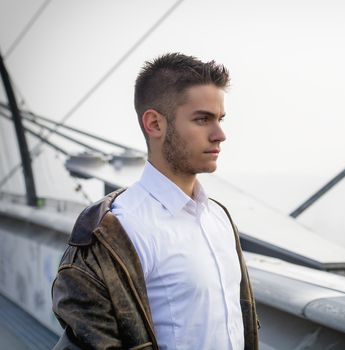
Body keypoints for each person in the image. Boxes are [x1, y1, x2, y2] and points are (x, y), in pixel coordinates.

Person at [51, 53, 259, 350]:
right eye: (203, 119)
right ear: (154, 124)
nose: (219, 135)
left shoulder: (220, 219)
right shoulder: (114, 232)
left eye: (220, 119)